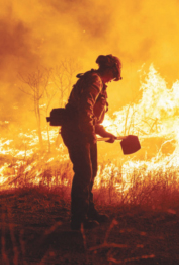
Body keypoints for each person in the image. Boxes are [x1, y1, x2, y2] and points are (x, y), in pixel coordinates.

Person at [61, 54, 122, 230]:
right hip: (77, 132)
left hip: (84, 131)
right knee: (84, 173)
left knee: (92, 171)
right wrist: (89, 132)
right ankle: (78, 220)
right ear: (111, 69)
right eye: (114, 74)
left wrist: (104, 132)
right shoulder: (95, 81)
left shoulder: (98, 82)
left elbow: (92, 118)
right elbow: (85, 108)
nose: (113, 79)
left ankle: (88, 211)